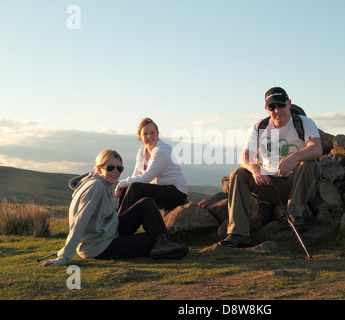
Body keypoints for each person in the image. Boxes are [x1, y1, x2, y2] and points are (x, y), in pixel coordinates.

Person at [40, 149, 188, 267]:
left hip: (110, 233)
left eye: (119, 168)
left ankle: (162, 243)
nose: (115, 171)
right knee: (151, 239)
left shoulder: (107, 185)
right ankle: (161, 244)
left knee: (147, 203)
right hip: (98, 246)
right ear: (99, 169)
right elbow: (80, 220)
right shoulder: (95, 187)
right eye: (110, 167)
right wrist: (65, 256)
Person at [219, 87, 323, 248]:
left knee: (309, 164)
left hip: (295, 184)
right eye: (272, 107)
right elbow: (244, 157)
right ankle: (238, 234)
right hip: (267, 184)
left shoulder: (303, 122)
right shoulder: (259, 127)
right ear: (266, 109)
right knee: (238, 174)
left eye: (281, 105)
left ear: (289, 104)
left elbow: (316, 149)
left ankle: (295, 215)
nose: (277, 110)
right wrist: (255, 170)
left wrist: (293, 158)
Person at [115, 118, 188, 213]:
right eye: (145, 134)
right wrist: (124, 186)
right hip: (161, 190)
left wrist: (121, 183)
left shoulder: (162, 150)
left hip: (176, 192)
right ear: (140, 137)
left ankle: (119, 223)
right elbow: (135, 176)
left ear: (157, 133)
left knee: (135, 188)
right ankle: (120, 220)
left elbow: (147, 177)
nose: (149, 136)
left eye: (152, 132)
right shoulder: (141, 152)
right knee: (127, 188)